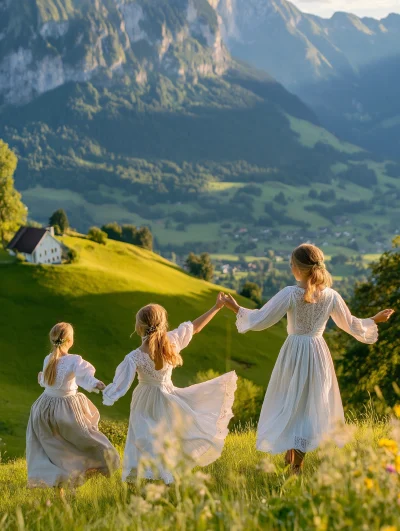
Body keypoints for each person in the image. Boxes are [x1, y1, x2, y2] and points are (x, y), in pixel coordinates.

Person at [223, 243, 394, 473]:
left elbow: (262, 318)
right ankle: (292, 456)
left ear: (299, 269)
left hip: (294, 352)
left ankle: (296, 464)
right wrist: (373, 319)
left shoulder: (290, 293)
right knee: (307, 404)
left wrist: (236, 308)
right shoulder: (331, 296)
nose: (290, 267)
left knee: (291, 402)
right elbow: (350, 323)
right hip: (317, 352)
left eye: (292, 264)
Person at [102, 294, 237, 484]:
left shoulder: (134, 357)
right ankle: (164, 478)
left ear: (139, 327)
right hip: (167, 396)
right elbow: (194, 328)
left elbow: (119, 386)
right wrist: (216, 307)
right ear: (162, 324)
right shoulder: (171, 342)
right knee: (165, 439)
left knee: (143, 439)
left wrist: (104, 390)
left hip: (145, 400)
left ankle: (144, 479)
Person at [27, 322, 120, 490]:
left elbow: (49, 382)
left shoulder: (48, 358)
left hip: (43, 408)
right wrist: (97, 384)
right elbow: (85, 375)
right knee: (92, 441)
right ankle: (88, 470)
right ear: (70, 341)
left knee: (55, 449)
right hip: (65, 409)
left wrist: (41, 378)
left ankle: (61, 485)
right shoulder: (74, 360)